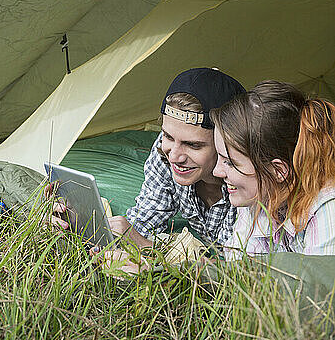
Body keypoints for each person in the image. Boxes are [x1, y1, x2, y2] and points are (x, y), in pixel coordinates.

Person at [108, 68, 245, 248]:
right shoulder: (166, 153)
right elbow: (145, 220)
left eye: (193, 145)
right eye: (168, 136)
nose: (174, 156)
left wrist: (145, 246)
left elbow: (242, 266)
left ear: (226, 143)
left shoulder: (248, 182)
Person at [211, 80, 335, 258]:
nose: (217, 172)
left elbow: (320, 284)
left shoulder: (327, 209)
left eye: (230, 162)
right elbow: (237, 271)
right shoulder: (259, 196)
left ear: (278, 170)